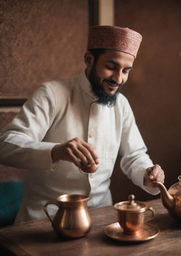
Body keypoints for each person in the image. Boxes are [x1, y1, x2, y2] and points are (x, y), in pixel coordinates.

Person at [0, 25, 165, 223]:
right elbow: (6, 145)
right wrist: (57, 151)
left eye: (126, 71)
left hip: (101, 218)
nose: (118, 79)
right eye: (111, 67)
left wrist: (148, 174)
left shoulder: (121, 104)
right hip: (44, 219)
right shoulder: (51, 94)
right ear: (89, 60)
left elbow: (135, 155)